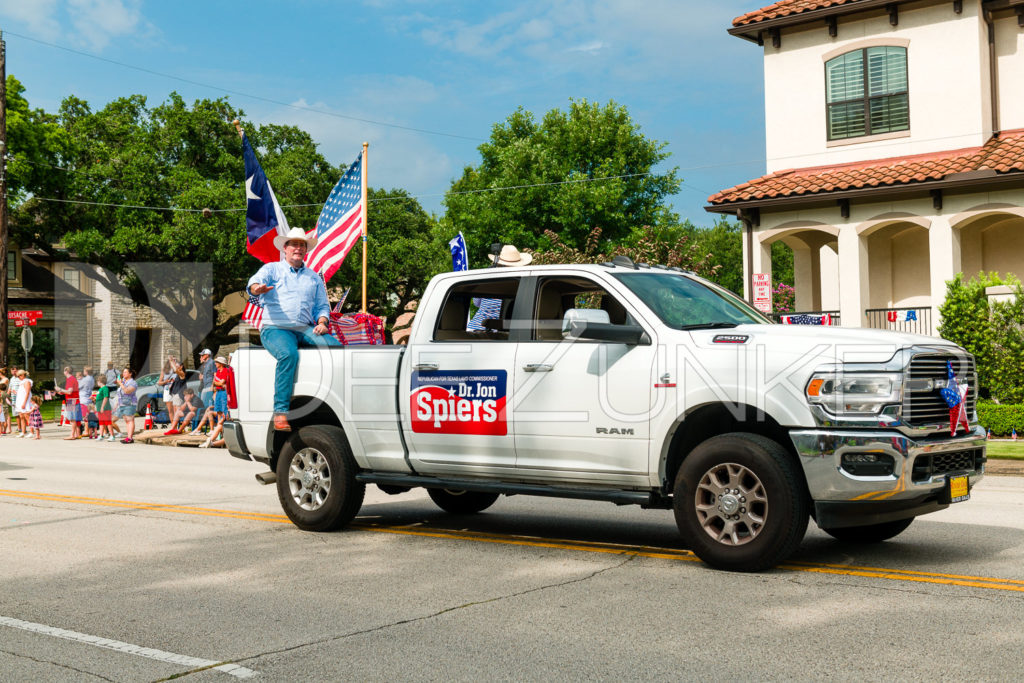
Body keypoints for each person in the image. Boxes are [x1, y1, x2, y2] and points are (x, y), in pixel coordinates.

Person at [246, 226, 339, 431]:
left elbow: (322, 305)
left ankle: (334, 399)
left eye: (302, 245)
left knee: (337, 348)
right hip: (275, 328)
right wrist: (257, 289)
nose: (298, 248)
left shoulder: (313, 277)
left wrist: (323, 322)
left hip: (304, 328)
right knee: (288, 354)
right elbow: (253, 283)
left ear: (306, 250)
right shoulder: (272, 269)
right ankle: (280, 413)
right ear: (285, 248)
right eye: (294, 244)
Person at [162, 356, 188, 435]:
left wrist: (171, 361)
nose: (175, 367)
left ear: (181, 366)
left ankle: (176, 428)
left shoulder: (182, 374)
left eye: (177, 365)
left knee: (177, 412)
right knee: (175, 412)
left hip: (178, 395)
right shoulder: (176, 375)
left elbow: (176, 370)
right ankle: (175, 428)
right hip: (174, 394)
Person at [56, 366, 81, 440]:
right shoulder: (72, 379)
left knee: (72, 419)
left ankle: (72, 435)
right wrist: (62, 392)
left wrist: (60, 389)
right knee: (74, 418)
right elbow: (70, 391)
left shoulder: (70, 379)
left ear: (66, 371)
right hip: (74, 399)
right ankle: (76, 434)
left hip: (71, 400)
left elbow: (69, 391)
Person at [115, 367, 138, 444]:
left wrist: (120, 384)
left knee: (130, 420)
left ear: (130, 373)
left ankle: (130, 437)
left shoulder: (133, 383)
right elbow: (120, 393)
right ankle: (129, 436)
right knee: (127, 421)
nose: (123, 374)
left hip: (130, 403)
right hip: (122, 403)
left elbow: (127, 391)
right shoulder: (124, 382)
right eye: (123, 372)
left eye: (125, 372)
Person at [94, 377, 115, 442]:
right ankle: (101, 435)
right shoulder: (100, 389)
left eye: (97, 381)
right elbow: (99, 398)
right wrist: (94, 399)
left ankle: (112, 436)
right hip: (100, 408)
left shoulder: (105, 388)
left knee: (108, 422)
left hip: (105, 408)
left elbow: (105, 398)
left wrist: (102, 407)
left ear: (100, 381)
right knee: (101, 422)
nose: (97, 383)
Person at [15, 369, 33, 438]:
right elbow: (22, 392)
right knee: (21, 416)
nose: (18, 377)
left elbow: (27, 393)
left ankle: (31, 432)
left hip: (25, 401)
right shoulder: (21, 382)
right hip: (20, 401)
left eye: (19, 376)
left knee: (27, 416)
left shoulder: (27, 381)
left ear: (22, 375)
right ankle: (23, 432)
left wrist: (24, 403)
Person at [79, 367, 96, 438]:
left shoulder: (86, 379)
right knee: (87, 416)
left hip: (84, 400)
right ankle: (90, 431)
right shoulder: (91, 378)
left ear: (86, 371)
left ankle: (87, 431)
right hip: (88, 399)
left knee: (85, 417)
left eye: (84, 371)